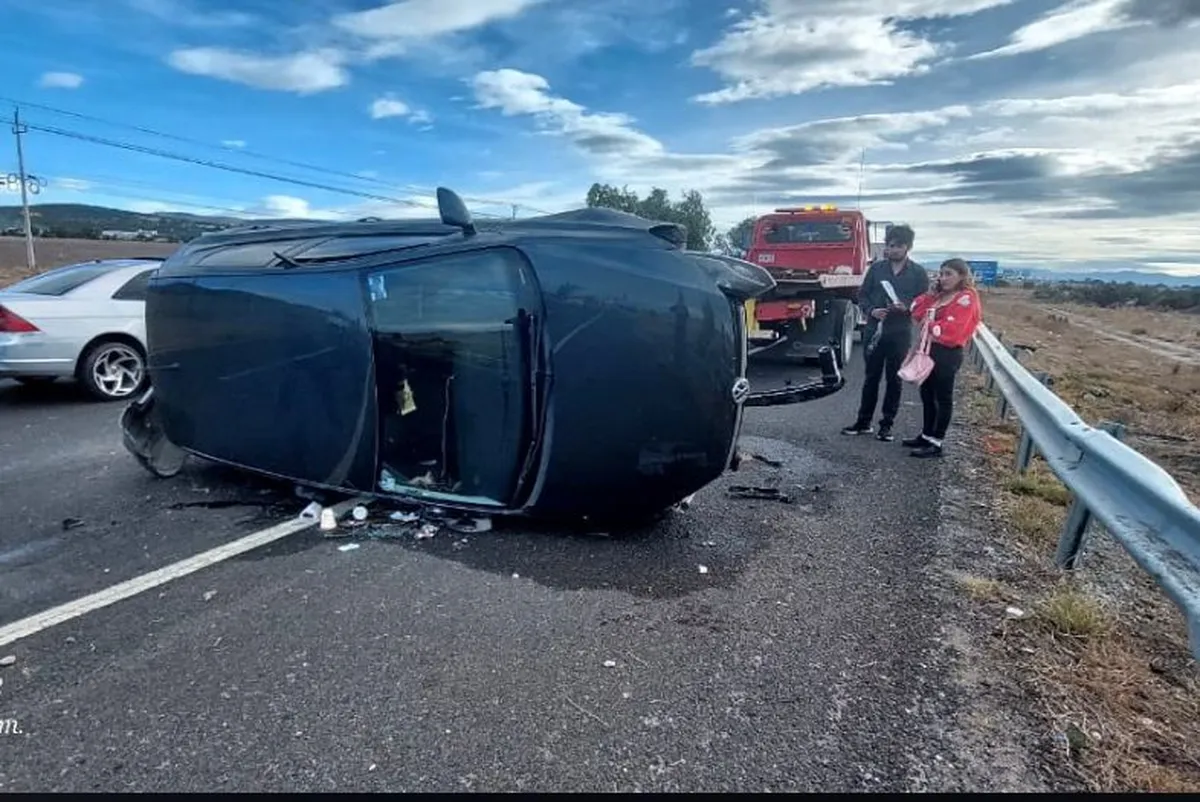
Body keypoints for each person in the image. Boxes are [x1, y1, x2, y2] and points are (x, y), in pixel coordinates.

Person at [841, 224, 929, 442]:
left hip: (899, 331)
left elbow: (924, 303)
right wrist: (872, 310)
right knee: (871, 378)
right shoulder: (877, 269)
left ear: (907, 247)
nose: (891, 250)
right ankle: (863, 422)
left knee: (894, 380)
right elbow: (863, 295)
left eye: (897, 246)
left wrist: (907, 308)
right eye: (889, 245)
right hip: (875, 330)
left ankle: (886, 426)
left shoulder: (918, 273)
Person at [903, 258, 983, 458]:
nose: (943, 278)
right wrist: (931, 295)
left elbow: (953, 330)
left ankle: (936, 441)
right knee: (927, 395)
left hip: (947, 353)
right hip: (930, 350)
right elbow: (917, 312)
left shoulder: (966, 297)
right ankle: (926, 434)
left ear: (962, 276)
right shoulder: (941, 296)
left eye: (949, 274)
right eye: (942, 273)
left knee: (942, 397)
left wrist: (930, 326)